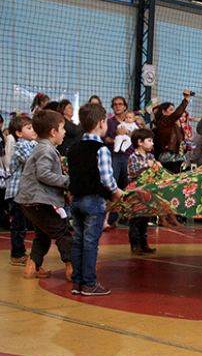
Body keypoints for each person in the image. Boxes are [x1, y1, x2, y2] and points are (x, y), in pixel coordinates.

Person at [68, 103, 124, 296]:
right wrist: (117, 192)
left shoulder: (73, 148)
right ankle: (89, 283)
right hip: (93, 201)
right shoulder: (102, 149)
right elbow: (107, 179)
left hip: (76, 201)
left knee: (78, 241)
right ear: (101, 123)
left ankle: (77, 282)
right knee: (91, 242)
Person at [15, 110, 72, 281]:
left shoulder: (41, 148)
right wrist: (67, 181)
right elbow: (43, 174)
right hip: (39, 200)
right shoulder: (46, 149)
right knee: (62, 232)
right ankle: (73, 268)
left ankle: (32, 267)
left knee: (43, 234)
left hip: (29, 201)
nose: (65, 132)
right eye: (62, 128)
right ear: (53, 132)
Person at [5, 116, 37, 266]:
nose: (33, 130)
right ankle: (17, 254)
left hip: (25, 193)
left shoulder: (32, 144)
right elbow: (32, 161)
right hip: (17, 192)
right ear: (19, 133)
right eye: (29, 128)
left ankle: (20, 252)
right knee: (18, 225)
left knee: (23, 224)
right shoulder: (20, 146)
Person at [127, 129, 159, 255]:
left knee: (145, 219)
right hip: (136, 192)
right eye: (149, 140)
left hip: (147, 191)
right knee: (135, 219)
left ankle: (144, 244)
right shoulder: (133, 157)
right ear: (140, 142)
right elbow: (134, 172)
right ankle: (135, 245)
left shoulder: (151, 156)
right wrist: (147, 166)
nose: (152, 143)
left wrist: (157, 167)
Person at [153, 91, 192, 174]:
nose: (173, 112)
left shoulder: (174, 125)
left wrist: (185, 147)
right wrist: (186, 100)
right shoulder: (163, 121)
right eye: (171, 110)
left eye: (174, 110)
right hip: (168, 156)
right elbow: (177, 114)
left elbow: (179, 141)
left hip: (177, 155)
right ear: (163, 112)